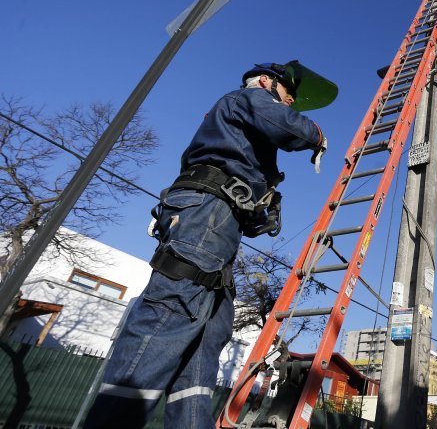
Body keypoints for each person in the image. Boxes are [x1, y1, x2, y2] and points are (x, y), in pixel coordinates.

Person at [84, 60, 336, 429]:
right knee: (174, 308)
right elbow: (285, 125)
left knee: (208, 333)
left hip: (219, 221)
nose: (289, 104)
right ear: (267, 82)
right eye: (288, 95)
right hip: (207, 214)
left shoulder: (241, 116)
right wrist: (316, 135)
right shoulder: (248, 98)